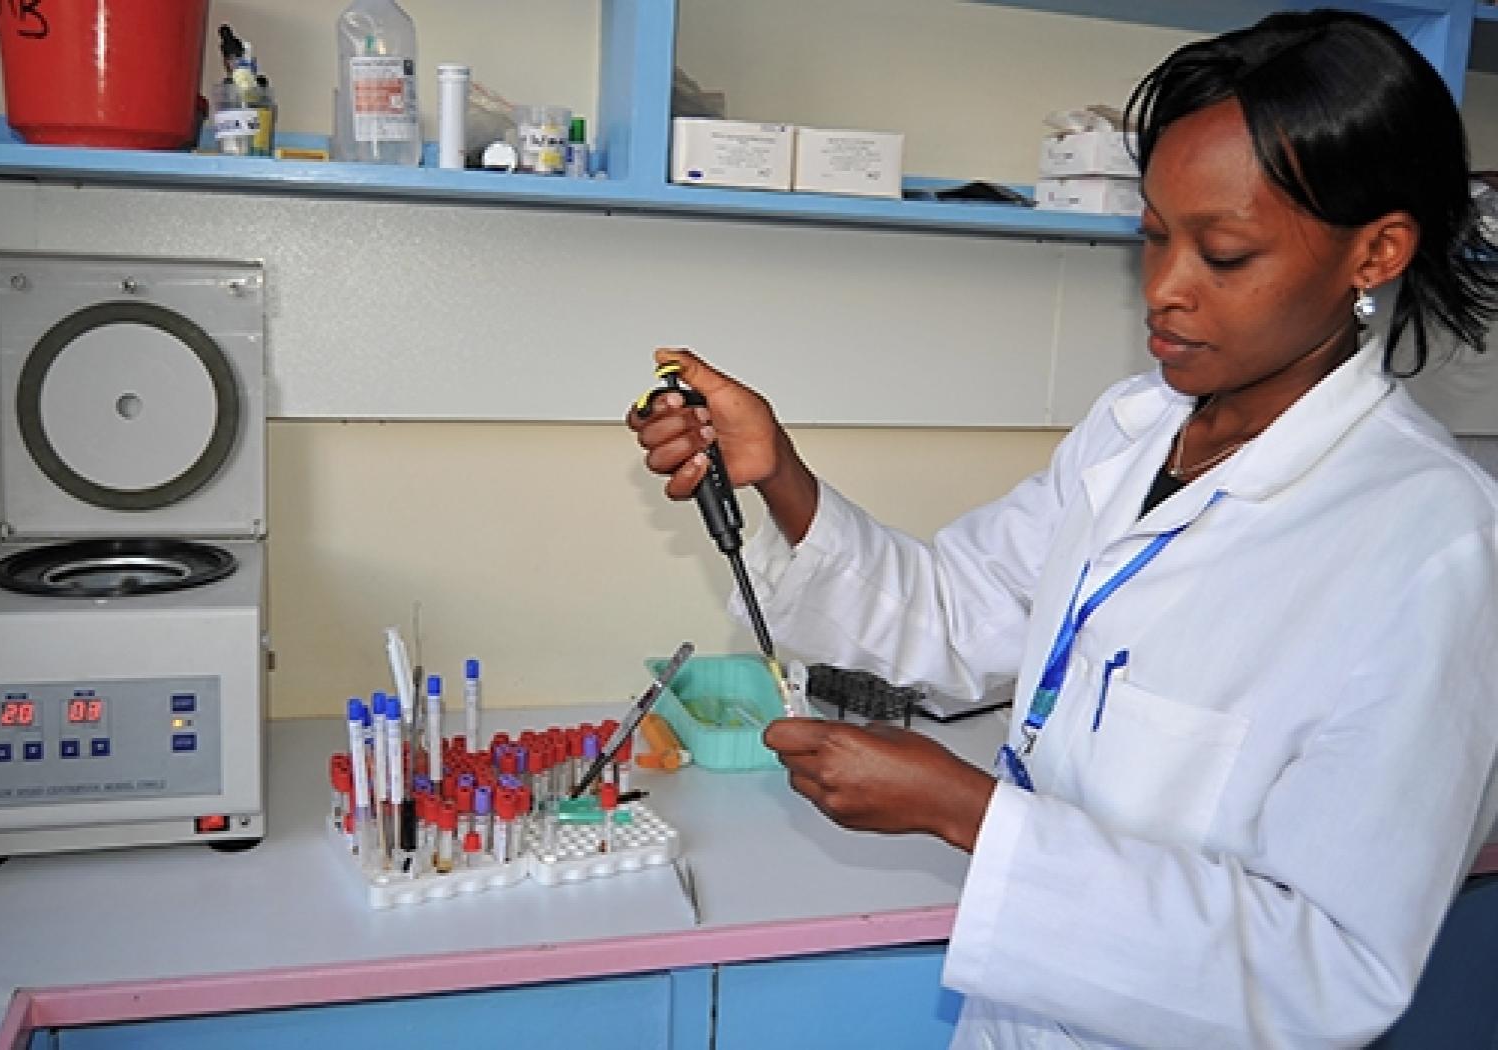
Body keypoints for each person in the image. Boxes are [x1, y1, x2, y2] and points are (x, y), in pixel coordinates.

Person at [628, 10, 1498, 1048]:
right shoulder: (1130, 434)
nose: (1164, 291)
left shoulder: (1428, 544)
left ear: (1376, 252)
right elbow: (956, 616)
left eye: (1222, 254)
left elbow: (1326, 972)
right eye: (1153, 238)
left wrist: (972, 816)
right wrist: (782, 477)